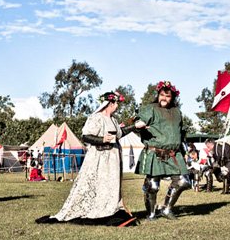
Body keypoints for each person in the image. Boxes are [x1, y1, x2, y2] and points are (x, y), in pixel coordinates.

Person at [40, 91, 144, 224]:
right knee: (99, 183)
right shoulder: (96, 118)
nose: (118, 106)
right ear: (110, 103)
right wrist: (102, 139)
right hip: (99, 158)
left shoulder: (113, 119)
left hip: (113, 160)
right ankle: (99, 209)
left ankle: (110, 208)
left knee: (110, 185)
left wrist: (134, 127)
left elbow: (119, 134)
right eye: (117, 103)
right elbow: (86, 136)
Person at [135, 80, 190, 220]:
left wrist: (184, 153)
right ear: (158, 94)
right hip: (155, 151)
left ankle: (166, 209)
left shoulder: (177, 112)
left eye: (167, 96)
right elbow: (138, 123)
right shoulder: (150, 108)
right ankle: (151, 214)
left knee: (183, 181)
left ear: (173, 97)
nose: (164, 98)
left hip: (174, 153)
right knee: (152, 186)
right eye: (161, 95)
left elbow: (180, 133)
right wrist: (136, 125)